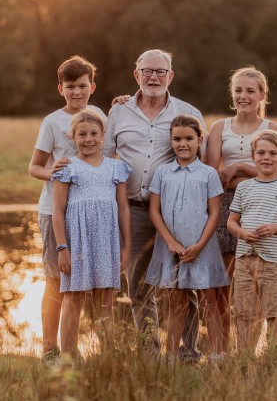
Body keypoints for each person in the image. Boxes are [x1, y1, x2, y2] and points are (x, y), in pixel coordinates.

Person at [103, 49, 206, 361]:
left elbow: (201, 164)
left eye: (160, 71)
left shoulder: (187, 112)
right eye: (147, 71)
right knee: (138, 287)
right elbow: (105, 159)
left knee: (182, 284)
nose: (153, 77)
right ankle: (150, 354)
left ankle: (188, 354)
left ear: (170, 76)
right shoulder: (118, 113)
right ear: (136, 75)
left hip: (175, 212)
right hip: (133, 210)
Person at [27, 55, 107, 362]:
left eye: (83, 86)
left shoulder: (99, 114)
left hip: (88, 212)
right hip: (54, 211)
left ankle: (72, 347)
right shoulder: (52, 122)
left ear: (92, 86)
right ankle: (49, 349)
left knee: (81, 281)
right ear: (61, 88)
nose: (77, 92)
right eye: (71, 86)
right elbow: (34, 167)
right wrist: (54, 173)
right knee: (56, 280)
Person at [205, 66, 277, 352]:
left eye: (250, 91)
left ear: (262, 94)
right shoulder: (218, 128)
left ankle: (247, 349)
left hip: (261, 206)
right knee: (223, 282)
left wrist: (237, 167)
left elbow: (276, 173)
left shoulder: (272, 129)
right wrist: (244, 173)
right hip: (225, 206)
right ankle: (221, 350)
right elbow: (212, 174)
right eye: (238, 90)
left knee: (256, 283)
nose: (243, 96)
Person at [145, 115, 229, 363]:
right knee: (176, 304)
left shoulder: (208, 174)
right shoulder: (162, 172)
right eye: (177, 139)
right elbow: (154, 211)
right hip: (171, 247)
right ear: (171, 141)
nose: (183, 144)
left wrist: (201, 245)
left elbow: (215, 212)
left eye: (189, 138)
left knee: (209, 303)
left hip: (202, 245)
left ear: (199, 140)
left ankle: (216, 356)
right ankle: (171, 357)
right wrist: (171, 242)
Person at [51, 110, 131, 357]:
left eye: (94, 134)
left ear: (103, 135)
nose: (89, 139)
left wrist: (126, 246)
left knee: (105, 301)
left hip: (106, 241)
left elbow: (123, 207)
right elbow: (57, 210)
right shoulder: (67, 167)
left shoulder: (116, 168)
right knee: (73, 299)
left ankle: (107, 355)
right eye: (82, 134)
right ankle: (67, 356)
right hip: (77, 242)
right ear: (72, 136)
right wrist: (63, 248)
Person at [227, 130, 277, 355]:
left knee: (272, 311)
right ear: (253, 156)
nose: (266, 157)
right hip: (244, 258)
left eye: (273, 153)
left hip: (272, 260)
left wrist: (276, 229)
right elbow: (232, 222)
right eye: (261, 152)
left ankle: (272, 358)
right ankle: (244, 357)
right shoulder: (244, 187)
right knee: (244, 312)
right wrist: (241, 233)